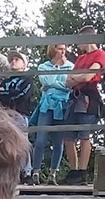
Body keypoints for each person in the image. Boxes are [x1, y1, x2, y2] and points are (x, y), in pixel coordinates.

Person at [63, 29, 105, 186]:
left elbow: (89, 76)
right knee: (68, 136)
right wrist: (80, 78)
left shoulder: (100, 54)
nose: (78, 45)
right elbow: (68, 81)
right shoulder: (81, 58)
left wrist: (77, 78)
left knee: (84, 135)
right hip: (75, 98)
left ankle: (82, 171)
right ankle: (73, 170)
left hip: (88, 97)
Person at [28, 41, 74, 180]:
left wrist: (53, 85)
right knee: (40, 140)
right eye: (60, 49)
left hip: (62, 106)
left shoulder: (71, 66)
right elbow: (46, 82)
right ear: (53, 50)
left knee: (58, 142)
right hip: (46, 106)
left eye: (64, 49)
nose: (63, 52)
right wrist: (56, 67)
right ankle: (36, 172)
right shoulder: (43, 67)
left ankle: (53, 174)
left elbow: (69, 86)